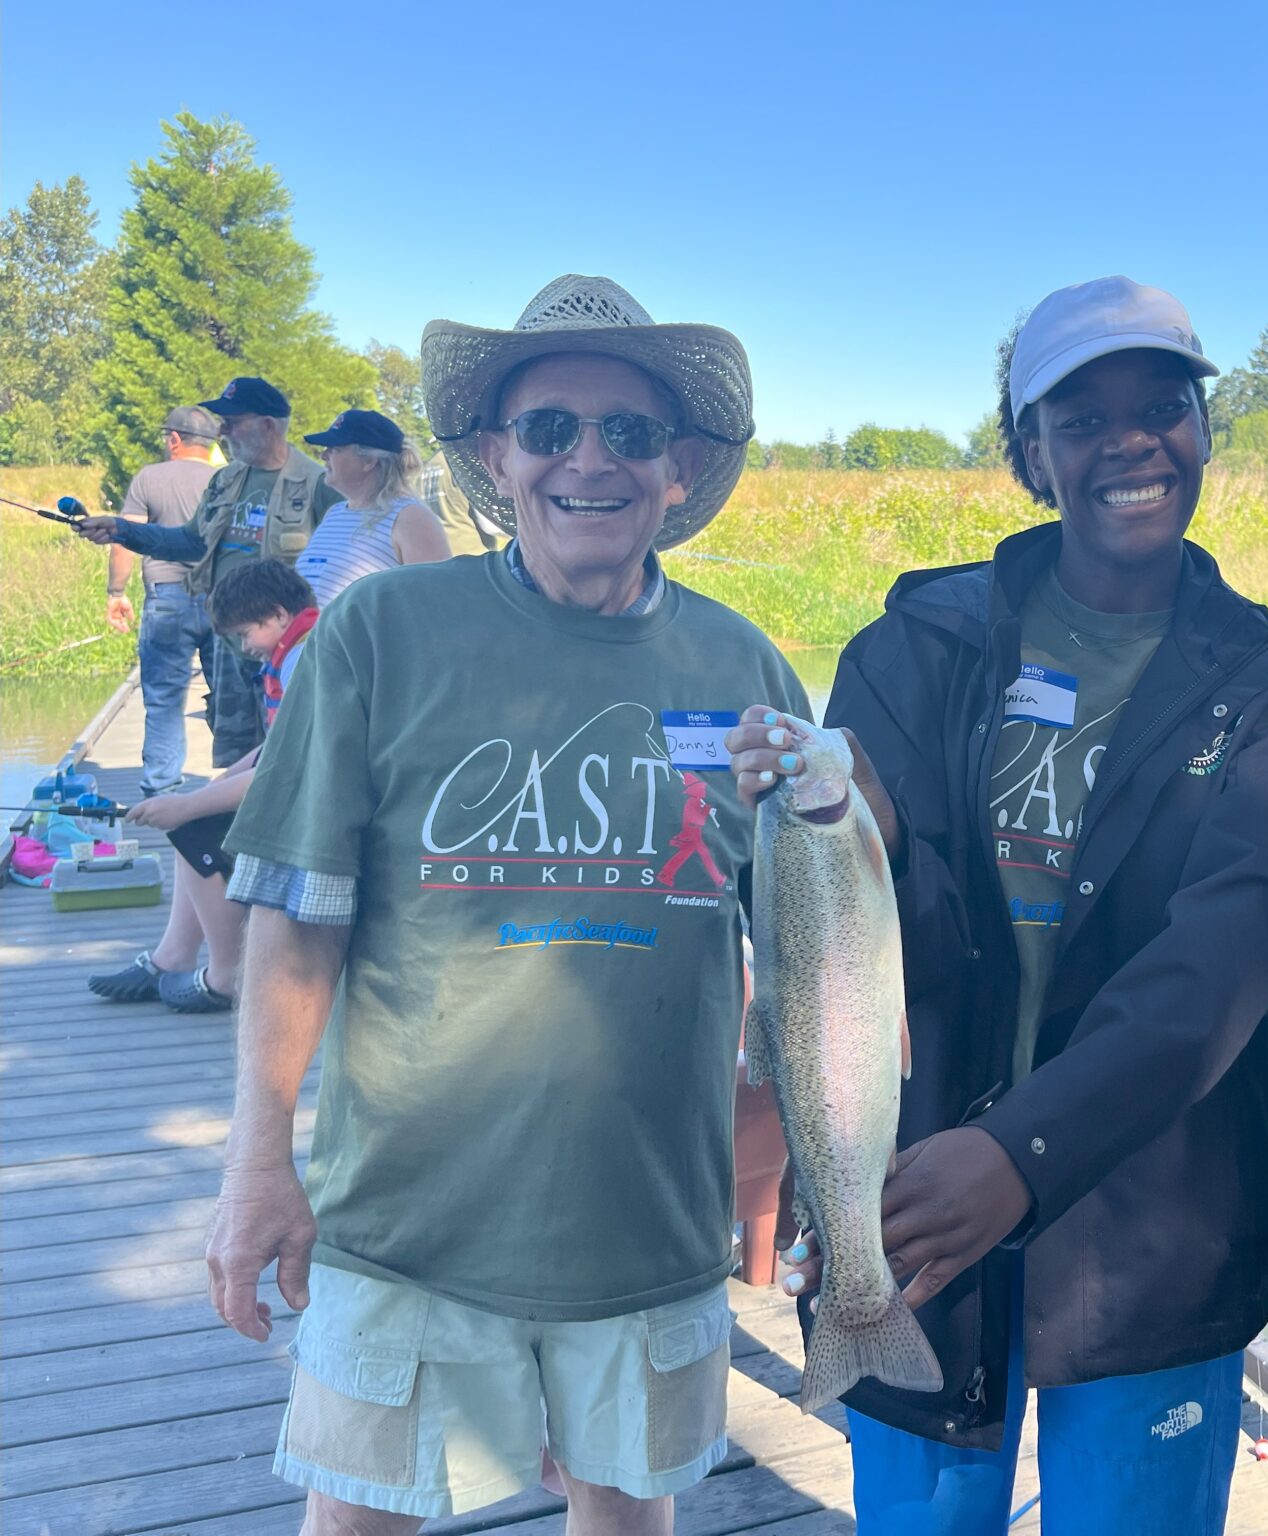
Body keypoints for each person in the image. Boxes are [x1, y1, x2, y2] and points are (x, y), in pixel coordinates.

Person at [733, 276, 1268, 1535]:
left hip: (1152, 1220)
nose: (1129, 440)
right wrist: (841, 819)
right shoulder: (919, 640)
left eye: (1161, 404)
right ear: (1027, 451)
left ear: (1202, 429)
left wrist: (1023, 1154)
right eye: (1080, 416)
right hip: (912, 1203)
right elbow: (854, 898)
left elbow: (1214, 973)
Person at [206, 275, 807, 1534]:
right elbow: (295, 913)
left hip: (651, 1222)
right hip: (407, 1218)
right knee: (358, 1518)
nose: (589, 461)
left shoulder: (745, 665)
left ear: (680, 467)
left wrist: (823, 816)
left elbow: (805, 945)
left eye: (629, 433)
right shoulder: (382, 632)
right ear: (493, 455)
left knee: (626, 1515)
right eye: (550, 428)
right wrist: (259, 1161)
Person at [86, 559, 320, 1013]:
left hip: (321, 805)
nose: (243, 646)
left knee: (195, 831)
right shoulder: (297, 648)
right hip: (306, 788)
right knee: (194, 815)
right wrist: (215, 786)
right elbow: (280, 748)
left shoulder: (302, 662)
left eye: (244, 633)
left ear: (276, 616)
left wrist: (190, 805)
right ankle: (172, 956)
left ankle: (228, 976)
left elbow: (290, 771)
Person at [74, 377, 342, 767]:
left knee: (291, 760)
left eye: (233, 421)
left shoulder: (318, 483)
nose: (222, 431)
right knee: (236, 760)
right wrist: (123, 530)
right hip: (232, 646)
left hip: (292, 653)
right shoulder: (225, 480)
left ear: (268, 425)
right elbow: (191, 542)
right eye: (221, 421)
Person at [107, 405, 224, 795]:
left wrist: (116, 593)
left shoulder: (149, 478)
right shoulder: (227, 480)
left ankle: (161, 788)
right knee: (230, 696)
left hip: (167, 601)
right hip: (225, 602)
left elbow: (126, 539)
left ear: (174, 439)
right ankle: (236, 785)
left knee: (163, 701)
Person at [293, 409, 452, 603]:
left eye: (335, 449)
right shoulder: (335, 513)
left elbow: (433, 603)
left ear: (368, 461)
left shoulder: (411, 519)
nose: (323, 455)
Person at [419, 447, 503, 555]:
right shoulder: (462, 463)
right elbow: (491, 525)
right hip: (472, 557)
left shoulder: (429, 466)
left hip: (441, 560)